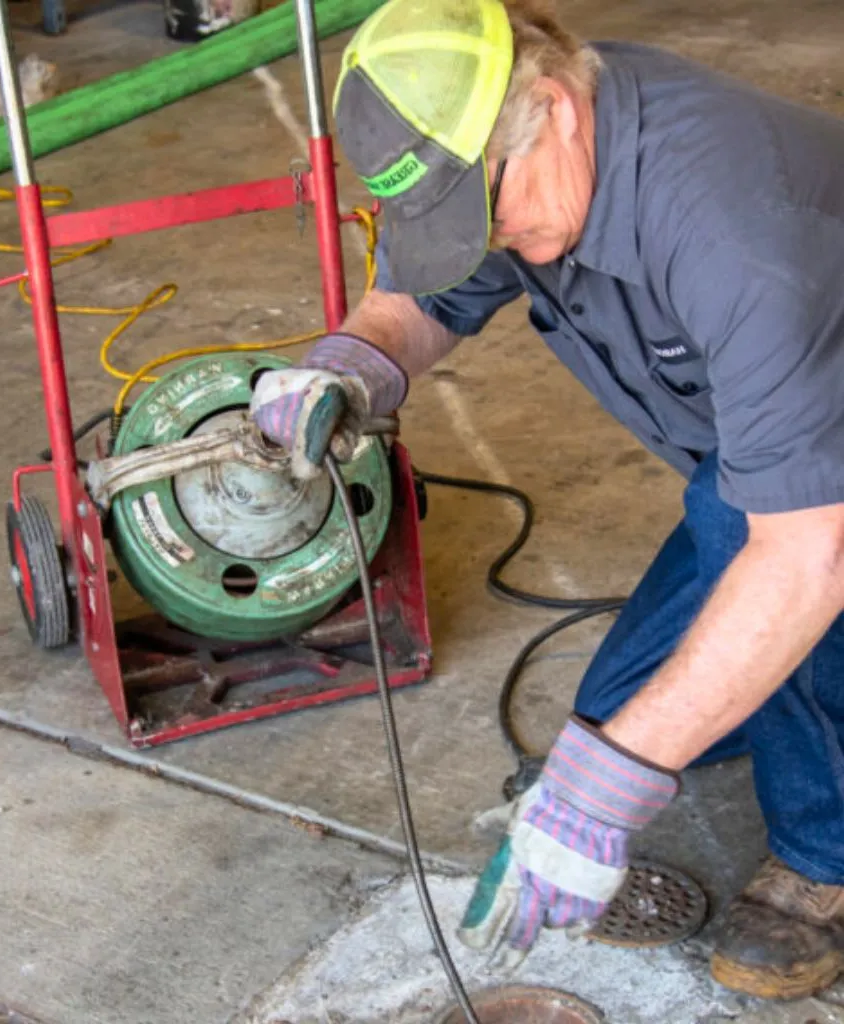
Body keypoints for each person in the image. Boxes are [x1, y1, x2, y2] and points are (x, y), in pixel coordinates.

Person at [249, 0, 844, 1001]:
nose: (492, 241)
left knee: (740, 562)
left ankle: (822, 858)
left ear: (555, 108)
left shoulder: (739, 241)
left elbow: (802, 556)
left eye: (488, 207)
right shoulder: (513, 153)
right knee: (615, 714)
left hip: (811, 486)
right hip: (756, 455)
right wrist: (350, 367)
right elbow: (425, 295)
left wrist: (607, 792)